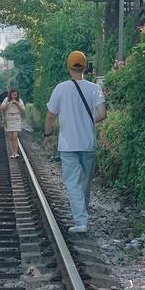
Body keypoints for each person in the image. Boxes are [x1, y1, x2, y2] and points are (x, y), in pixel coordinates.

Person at [43, 51, 107, 234]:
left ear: (68, 67)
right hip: (88, 143)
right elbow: (102, 115)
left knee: (72, 183)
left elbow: (50, 115)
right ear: (85, 67)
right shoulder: (94, 88)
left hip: (69, 145)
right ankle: (82, 215)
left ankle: (81, 220)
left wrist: (48, 135)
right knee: (85, 183)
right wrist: (86, 120)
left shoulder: (60, 88)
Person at [1, 87, 24, 158]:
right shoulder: (6, 100)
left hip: (16, 118)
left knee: (15, 136)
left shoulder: (20, 101)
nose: (14, 96)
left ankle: (16, 152)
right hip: (9, 118)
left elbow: (23, 110)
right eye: (13, 94)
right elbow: (1, 108)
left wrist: (17, 104)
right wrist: (8, 104)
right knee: (10, 137)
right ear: (10, 94)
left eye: (16, 95)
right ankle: (12, 153)